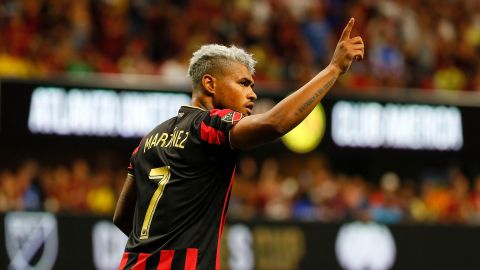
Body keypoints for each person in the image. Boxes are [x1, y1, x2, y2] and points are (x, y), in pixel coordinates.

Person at [113, 18, 364, 270]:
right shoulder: (210, 124)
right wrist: (333, 70)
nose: (252, 93)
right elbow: (274, 124)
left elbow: (122, 216)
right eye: (243, 83)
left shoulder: (148, 140)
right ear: (210, 84)